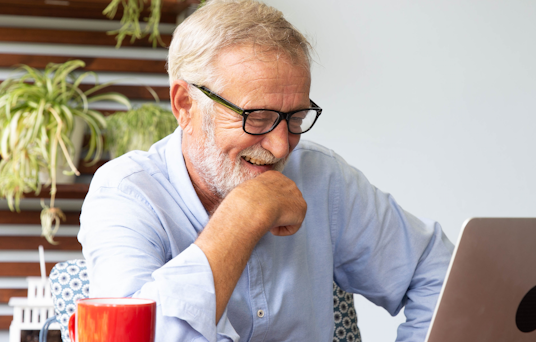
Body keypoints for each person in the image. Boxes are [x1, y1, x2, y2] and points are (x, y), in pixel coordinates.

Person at [78, 0, 455, 341]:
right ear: (185, 106)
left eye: (295, 118)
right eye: (256, 118)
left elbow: (441, 276)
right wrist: (243, 215)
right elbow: (133, 338)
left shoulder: (322, 177)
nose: (280, 146)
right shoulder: (126, 194)